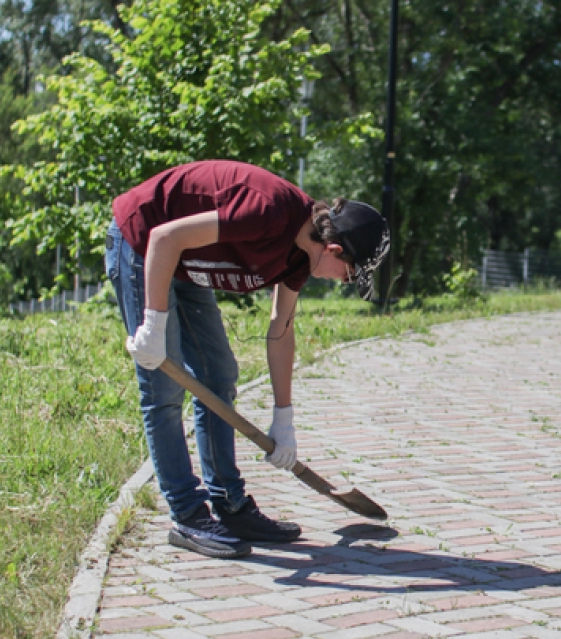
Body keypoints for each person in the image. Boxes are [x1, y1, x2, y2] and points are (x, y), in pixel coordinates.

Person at [104, 160, 390, 559]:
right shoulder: (268, 213)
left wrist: (284, 417)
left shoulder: (299, 258)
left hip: (184, 264)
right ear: (335, 249)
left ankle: (229, 503)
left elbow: (280, 330)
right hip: (143, 243)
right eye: (348, 276)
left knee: (218, 375)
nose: (342, 283)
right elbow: (163, 238)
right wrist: (153, 324)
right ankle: (187, 514)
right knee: (163, 387)